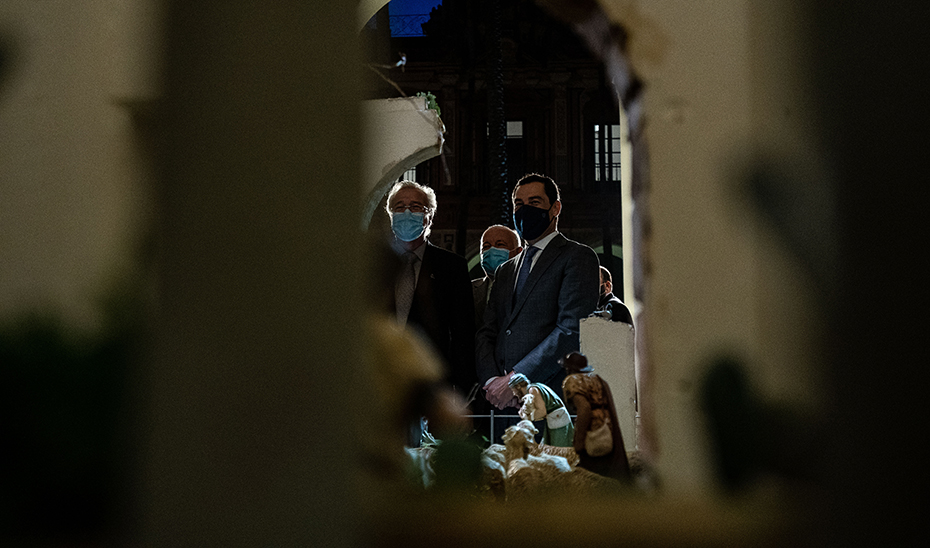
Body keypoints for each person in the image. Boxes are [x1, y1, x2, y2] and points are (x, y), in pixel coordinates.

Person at [476, 173, 601, 412]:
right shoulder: (505, 270)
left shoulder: (576, 257)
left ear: (555, 208)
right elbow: (487, 332)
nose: (525, 210)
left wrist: (515, 381)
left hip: (549, 401)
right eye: (519, 205)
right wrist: (493, 381)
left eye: (534, 203)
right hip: (502, 405)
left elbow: (569, 330)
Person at [385, 181, 477, 400]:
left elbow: (463, 334)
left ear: (430, 216)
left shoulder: (452, 267)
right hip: (383, 380)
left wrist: (460, 393)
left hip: (433, 384)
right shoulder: (376, 266)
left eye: (416, 207)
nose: (407, 212)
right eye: (399, 207)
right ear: (390, 215)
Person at [560, 351, 630, 482]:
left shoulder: (573, 382)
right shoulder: (598, 380)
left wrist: (579, 439)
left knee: (592, 473)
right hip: (607, 426)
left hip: (592, 430)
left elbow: (584, 409)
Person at [472, 224, 522, 329]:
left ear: (519, 252)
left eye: (500, 245)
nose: (492, 250)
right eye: (486, 246)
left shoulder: (530, 287)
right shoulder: (468, 290)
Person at [507, 372, 574, 447]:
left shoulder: (533, 390)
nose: (514, 393)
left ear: (518, 386)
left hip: (557, 419)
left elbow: (542, 411)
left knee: (557, 447)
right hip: (553, 419)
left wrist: (528, 418)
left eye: (513, 390)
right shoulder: (533, 389)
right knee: (547, 446)